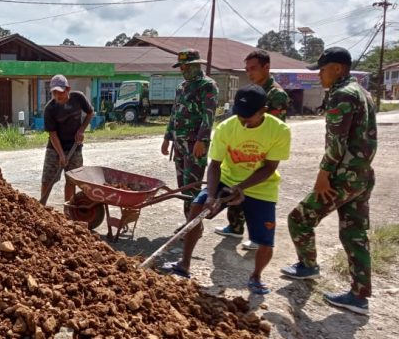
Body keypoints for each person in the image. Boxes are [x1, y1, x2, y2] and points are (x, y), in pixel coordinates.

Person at [159, 84, 291, 294]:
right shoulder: (226, 127)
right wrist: (212, 195)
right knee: (196, 207)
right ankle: (184, 265)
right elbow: (214, 165)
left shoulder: (279, 131)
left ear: (262, 111)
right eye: (240, 115)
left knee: (265, 238)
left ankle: (256, 277)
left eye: (249, 116)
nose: (243, 121)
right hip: (226, 179)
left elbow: (269, 168)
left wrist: (242, 187)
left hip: (261, 186)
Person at [281, 47, 377, 315]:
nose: (320, 75)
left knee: (299, 219)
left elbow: (338, 142)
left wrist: (324, 174)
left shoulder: (343, 94)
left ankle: (307, 266)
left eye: (322, 70)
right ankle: (360, 295)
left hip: (341, 177)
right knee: (355, 233)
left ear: (337, 68)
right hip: (362, 175)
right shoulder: (363, 93)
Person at [216, 49, 290, 250]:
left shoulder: (276, 94)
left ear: (267, 67)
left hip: (260, 151)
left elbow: (272, 127)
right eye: (247, 69)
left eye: (254, 69)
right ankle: (235, 226)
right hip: (241, 147)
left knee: (253, 193)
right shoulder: (251, 90)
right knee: (234, 183)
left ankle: (257, 237)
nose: (249, 73)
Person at [161, 49, 219, 219]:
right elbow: (175, 114)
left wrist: (202, 140)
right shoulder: (182, 87)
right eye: (181, 67)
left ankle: (192, 225)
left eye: (186, 66)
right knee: (183, 186)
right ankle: (189, 222)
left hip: (195, 144)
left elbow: (208, 115)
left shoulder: (207, 86)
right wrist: (167, 138)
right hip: (179, 143)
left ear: (197, 65)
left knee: (192, 185)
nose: (183, 70)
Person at [39, 74, 94, 204]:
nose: (57, 95)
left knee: (71, 181)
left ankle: (68, 212)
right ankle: (40, 208)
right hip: (55, 149)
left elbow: (90, 112)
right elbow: (52, 134)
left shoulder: (78, 98)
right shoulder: (50, 109)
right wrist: (61, 155)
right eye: (54, 92)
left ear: (67, 89)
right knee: (47, 180)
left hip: (74, 147)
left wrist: (81, 130)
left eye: (60, 92)